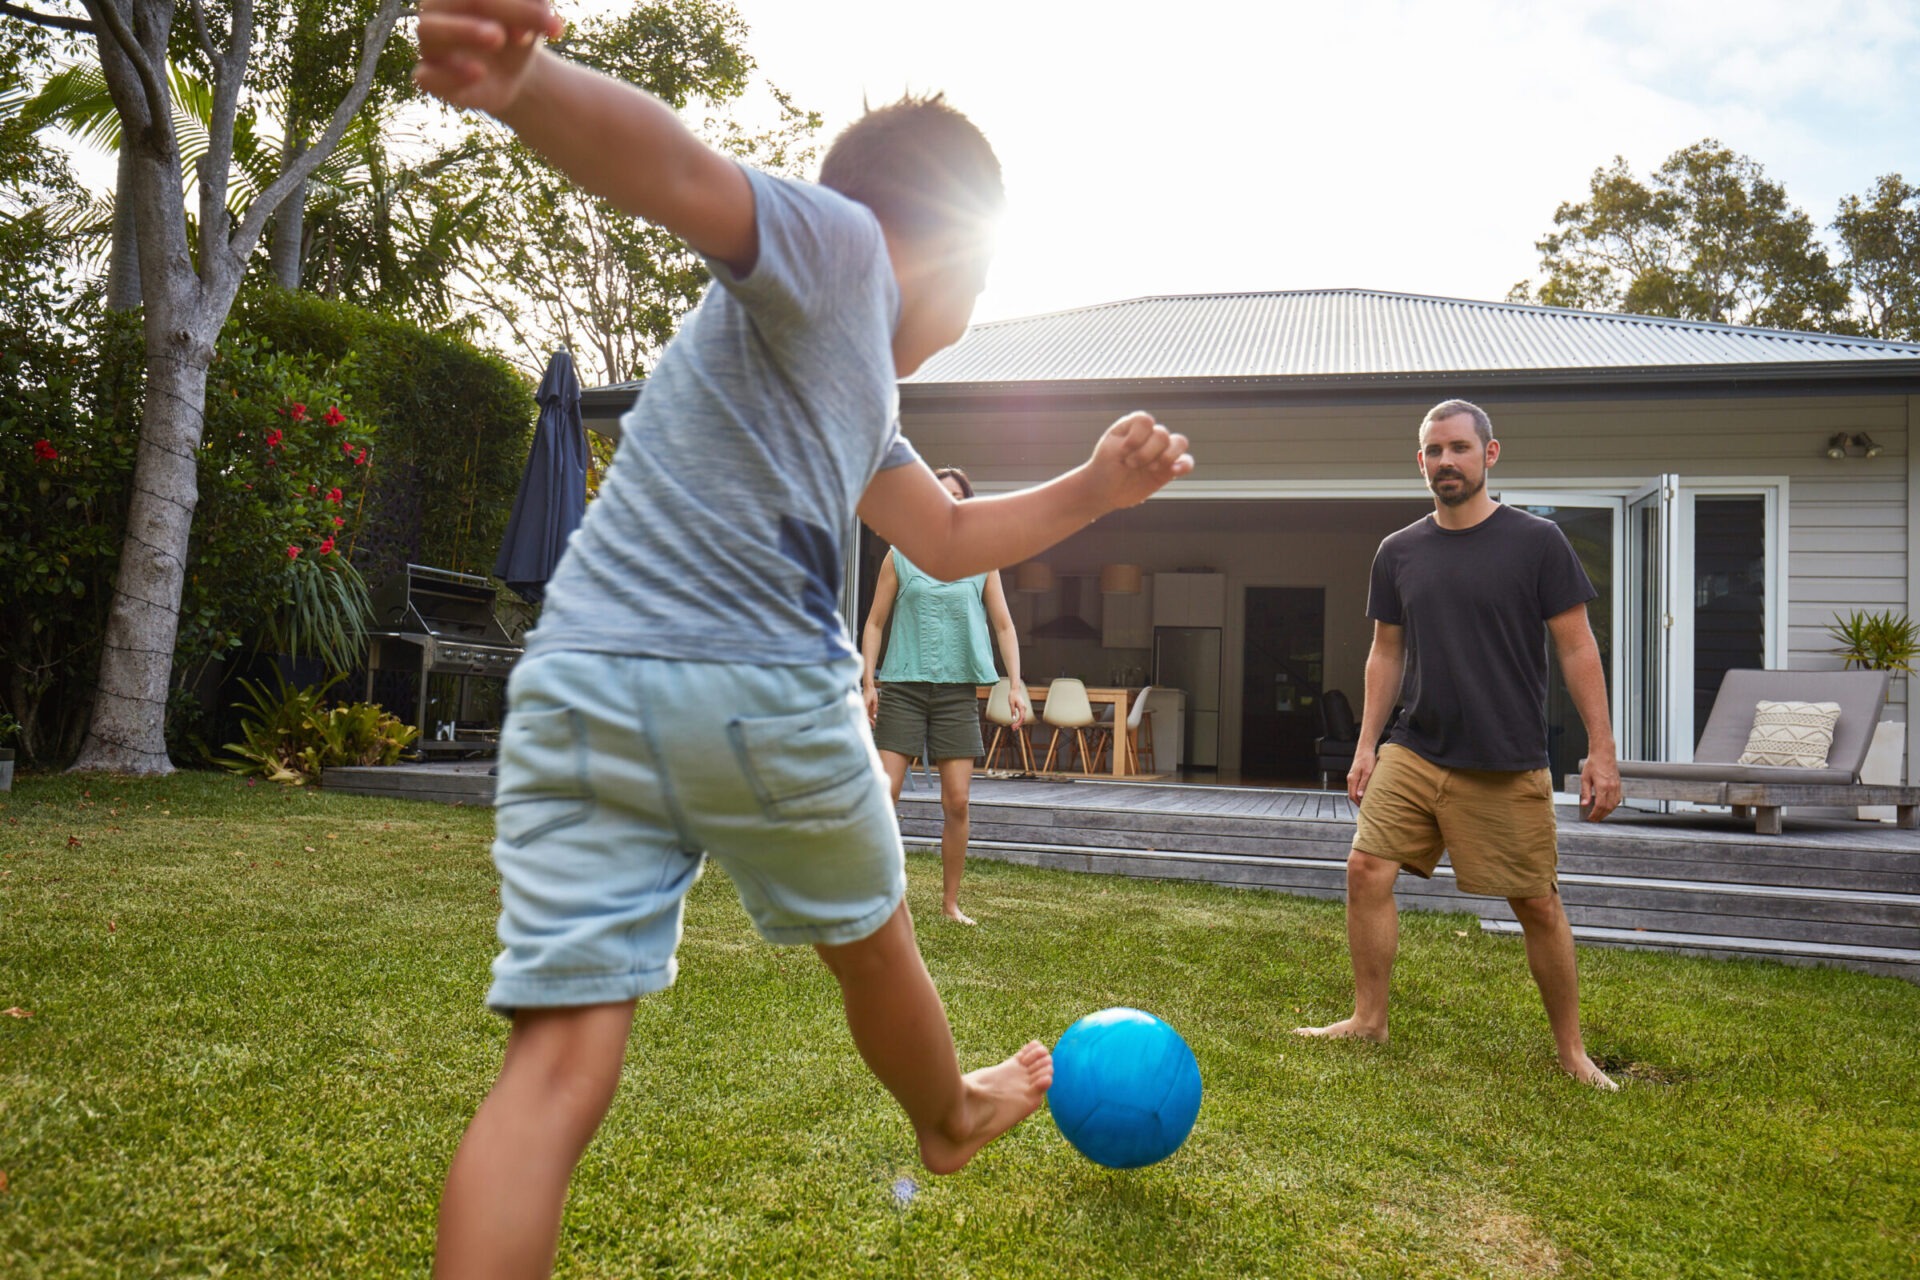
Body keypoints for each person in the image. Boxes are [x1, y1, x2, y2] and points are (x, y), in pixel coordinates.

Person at [413, 4, 1195, 1276]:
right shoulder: (842, 249)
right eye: (981, 279)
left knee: (554, 1065)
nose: (971, 306)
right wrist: (528, 82)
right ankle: (947, 1115)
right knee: (874, 933)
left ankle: (948, 1111)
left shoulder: (844, 383)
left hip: (582, 684)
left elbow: (939, 533)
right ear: (939, 235)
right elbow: (680, 175)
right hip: (755, 683)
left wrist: (1092, 492)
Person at [1294, 399, 1622, 1090]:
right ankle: (1368, 1019)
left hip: (1505, 758)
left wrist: (1601, 748)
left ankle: (1571, 1051)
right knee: (1365, 871)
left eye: (1459, 449)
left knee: (1535, 902)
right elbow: (1385, 654)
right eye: (1434, 451)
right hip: (1416, 747)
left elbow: (1577, 646)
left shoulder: (1537, 543)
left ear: (1489, 455)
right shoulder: (1399, 551)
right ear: (1421, 462)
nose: (1446, 461)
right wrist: (1365, 746)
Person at [861, 467, 1026, 926]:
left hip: (955, 695)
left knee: (957, 802)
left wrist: (1014, 683)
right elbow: (874, 623)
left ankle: (950, 904)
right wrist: (868, 682)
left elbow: (1005, 625)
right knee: (884, 795)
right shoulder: (899, 556)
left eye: (956, 496)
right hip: (904, 690)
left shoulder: (983, 561)